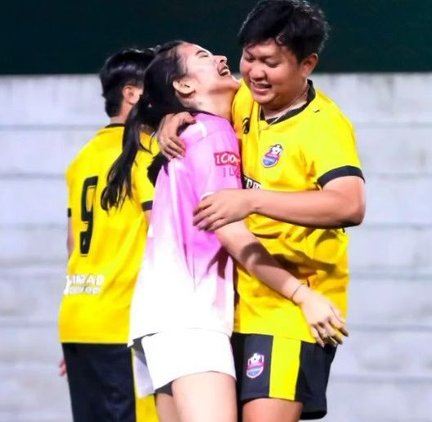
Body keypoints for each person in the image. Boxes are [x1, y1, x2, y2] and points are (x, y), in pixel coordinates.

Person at [102, 40, 345, 422]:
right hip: (190, 318)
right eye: (202, 56)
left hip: (158, 319)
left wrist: (169, 116)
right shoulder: (214, 135)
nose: (220, 58)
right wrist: (302, 294)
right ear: (184, 86)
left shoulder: (193, 131)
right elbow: (231, 231)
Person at [158, 1, 366, 420]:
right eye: (248, 58)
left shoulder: (323, 126)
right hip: (232, 307)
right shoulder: (244, 101)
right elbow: (196, 95)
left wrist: (253, 199)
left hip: (290, 310)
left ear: (307, 64)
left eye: (269, 62)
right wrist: (172, 116)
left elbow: (350, 203)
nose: (253, 72)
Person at [58, 48, 159, 422]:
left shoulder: (83, 157)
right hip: (123, 322)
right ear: (133, 93)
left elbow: (73, 244)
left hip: (80, 319)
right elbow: (162, 232)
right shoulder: (142, 151)